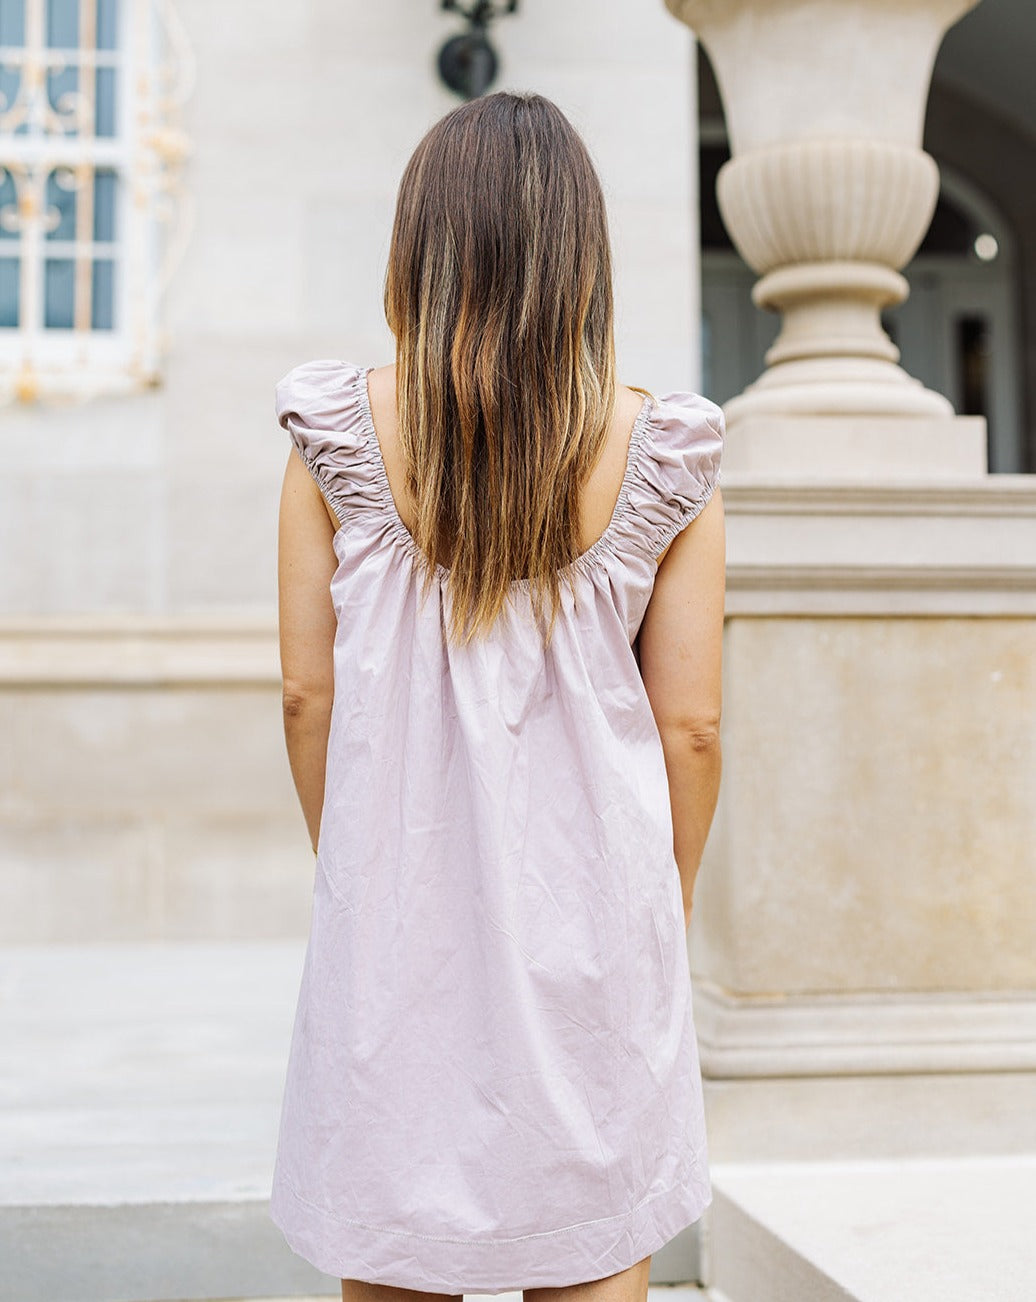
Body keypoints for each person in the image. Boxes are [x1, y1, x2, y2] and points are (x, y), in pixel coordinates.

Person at [270, 90, 725, 1302]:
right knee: (588, 1247)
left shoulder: (335, 436)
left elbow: (303, 697)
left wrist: (358, 864)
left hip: (393, 911)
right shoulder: (663, 454)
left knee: (397, 1254)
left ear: (419, 246)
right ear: (580, 255)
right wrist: (659, 901)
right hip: (597, 914)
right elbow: (691, 724)